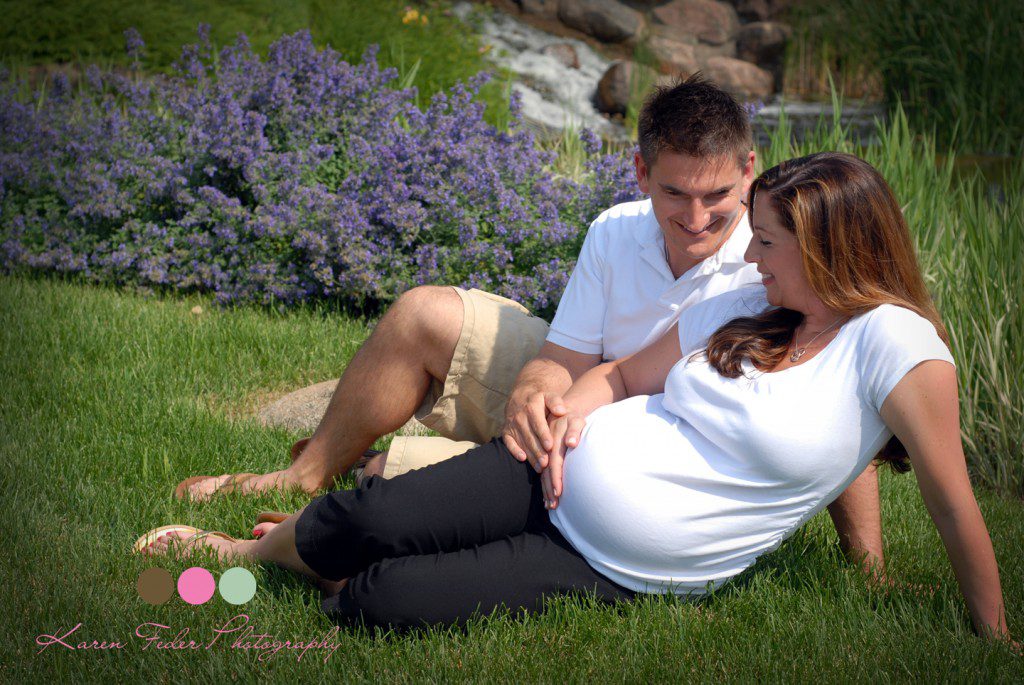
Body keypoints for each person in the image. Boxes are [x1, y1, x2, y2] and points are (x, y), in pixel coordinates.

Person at [138, 152, 1015, 647]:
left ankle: (319, 563)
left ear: (830, 248)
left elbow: (951, 500)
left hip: (616, 564)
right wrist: (562, 419)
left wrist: (993, 632)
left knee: (383, 603)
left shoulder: (894, 345)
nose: (751, 256)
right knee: (370, 513)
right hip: (546, 469)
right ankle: (245, 548)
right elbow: (622, 376)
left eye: (770, 241)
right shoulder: (749, 305)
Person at [176, 75, 887, 575]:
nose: (697, 218)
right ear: (641, 172)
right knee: (425, 313)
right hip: (584, 392)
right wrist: (532, 392)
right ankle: (302, 474)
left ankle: (364, 504)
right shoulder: (615, 230)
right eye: (675, 193)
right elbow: (563, 357)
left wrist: (868, 564)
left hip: (645, 449)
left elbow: (832, 406)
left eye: (719, 196)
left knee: (389, 480)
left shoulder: (780, 259)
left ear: (749, 169)